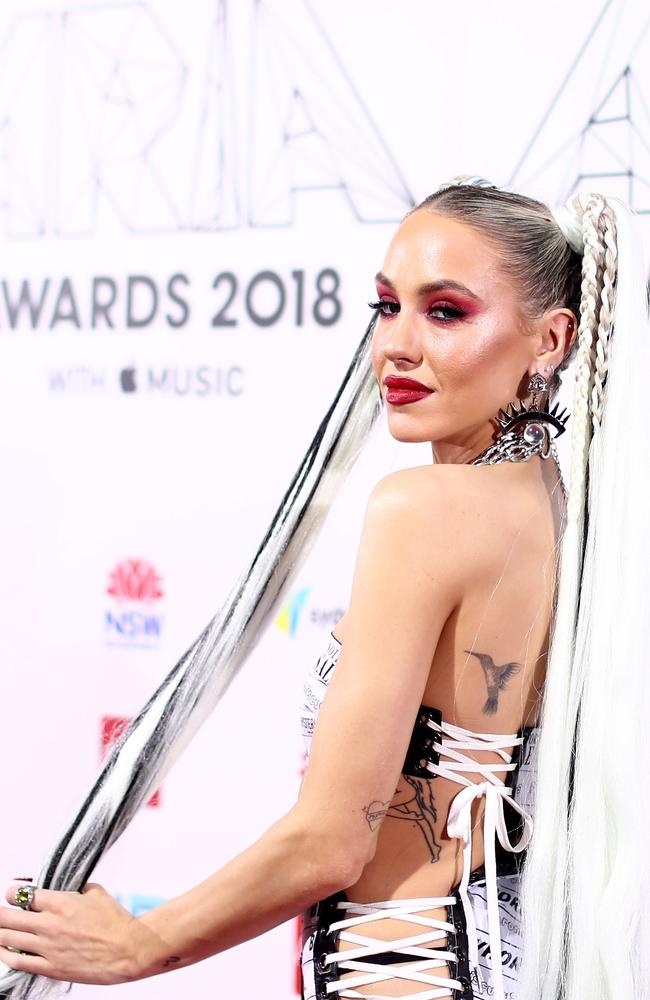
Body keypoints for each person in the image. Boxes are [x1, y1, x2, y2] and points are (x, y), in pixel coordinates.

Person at [1, 177, 649, 1000]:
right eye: (388, 306)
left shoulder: (425, 511)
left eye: (445, 312)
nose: (397, 347)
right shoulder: (568, 511)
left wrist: (140, 943)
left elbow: (333, 840)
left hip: (402, 969)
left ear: (550, 339)